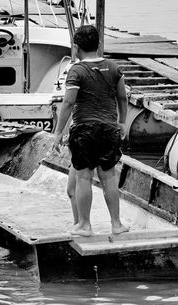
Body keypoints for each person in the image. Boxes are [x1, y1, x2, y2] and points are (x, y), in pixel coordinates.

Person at [52, 25, 129, 237]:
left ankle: (85, 225)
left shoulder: (76, 70)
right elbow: (122, 98)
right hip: (109, 129)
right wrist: (122, 121)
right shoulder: (114, 68)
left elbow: (68, 103)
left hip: (84, 129)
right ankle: (116, 224)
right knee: (109, 178)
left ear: (76, 47)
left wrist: (58, 133)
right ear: (100, 45)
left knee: (83, 178)